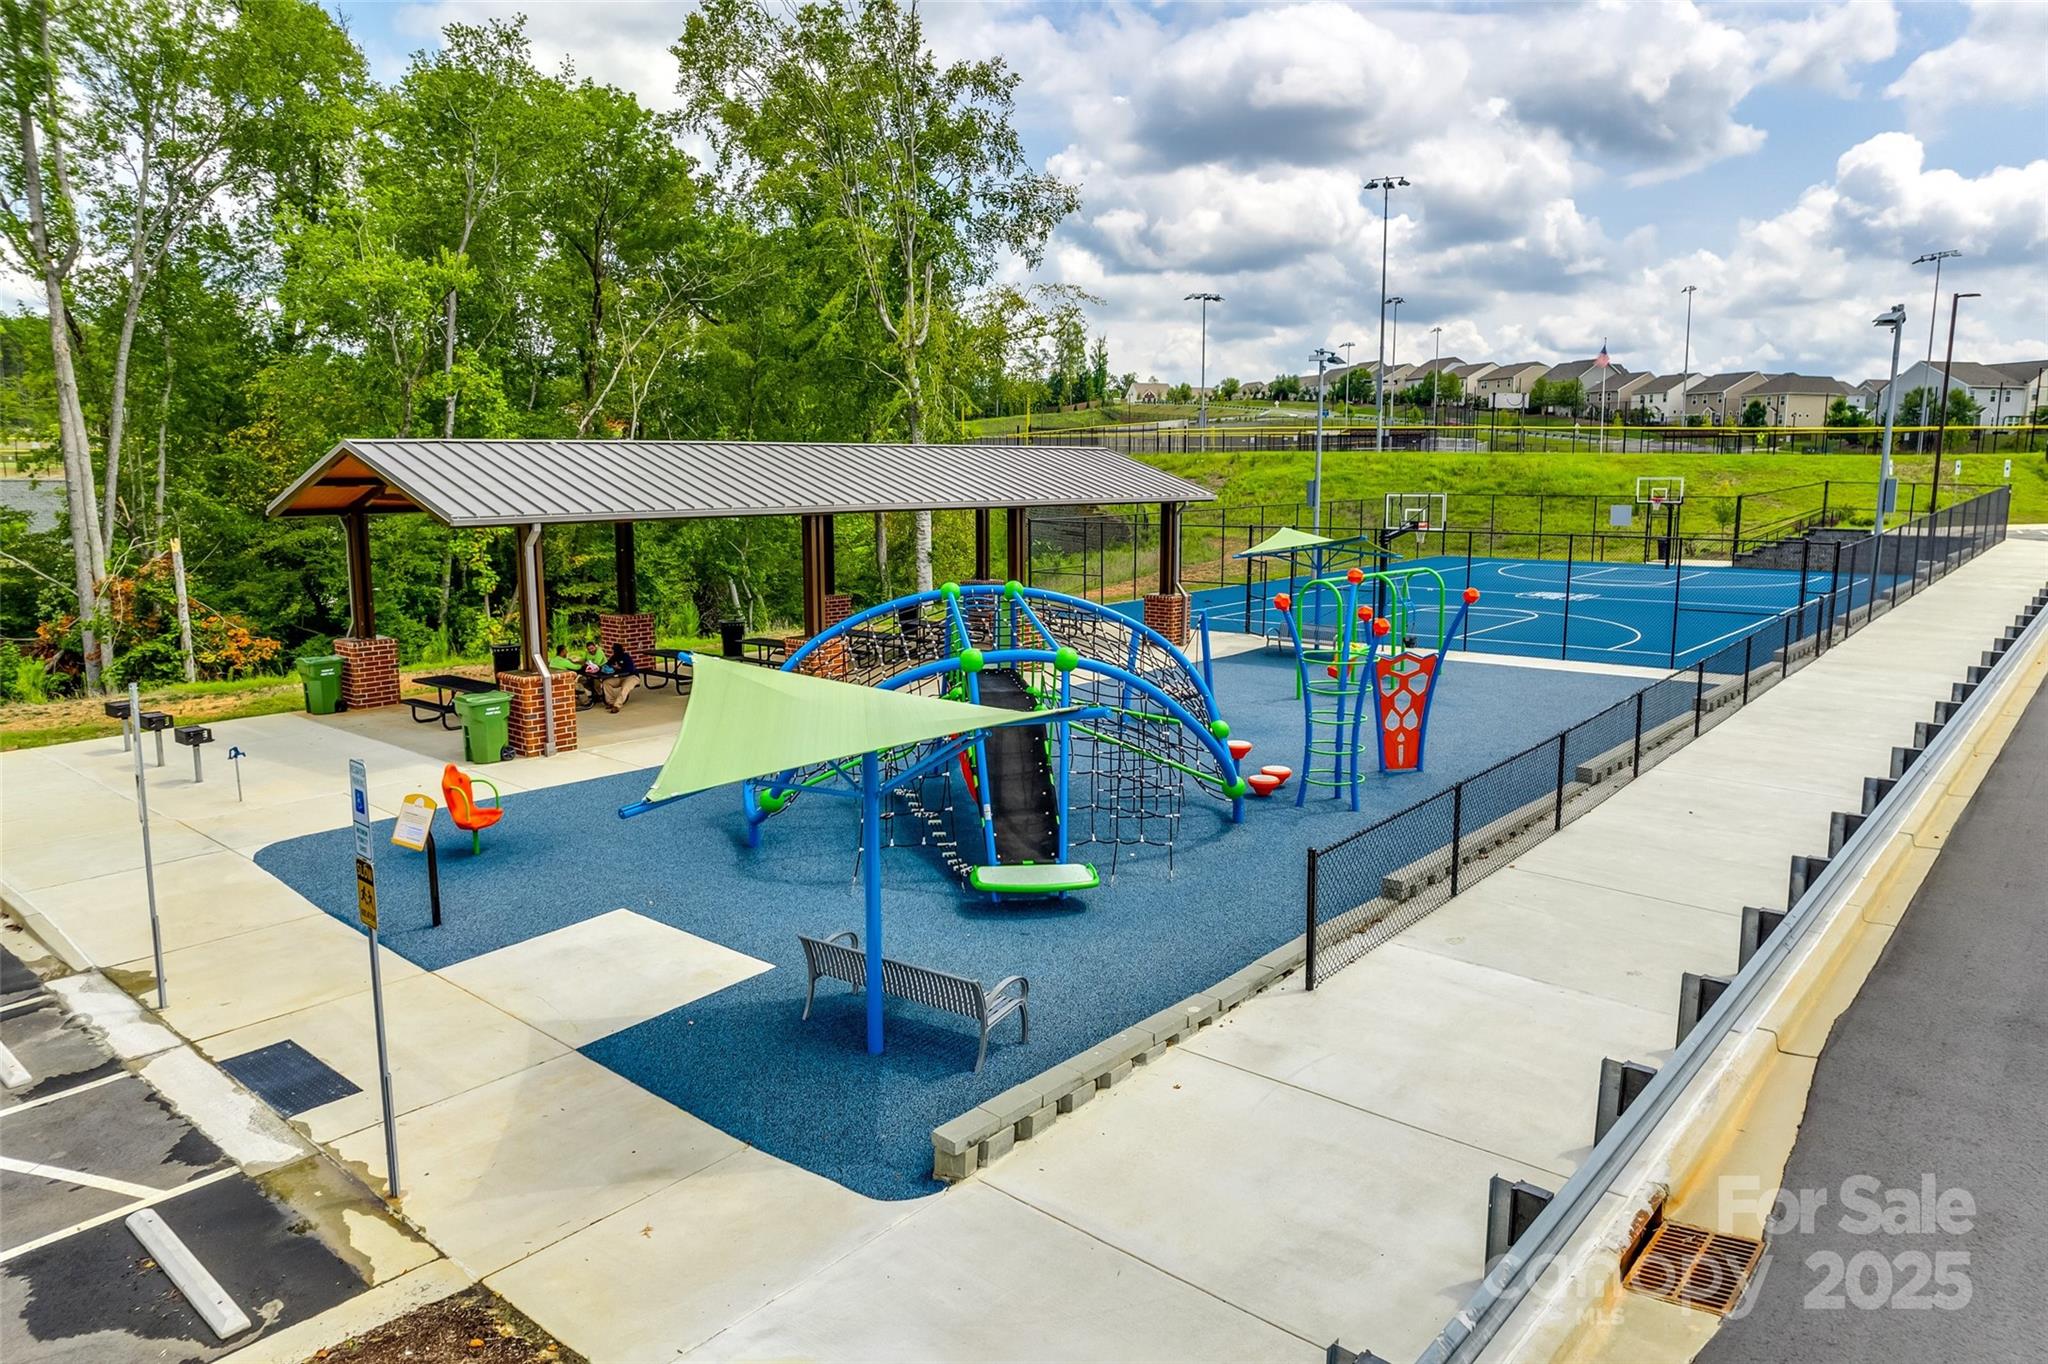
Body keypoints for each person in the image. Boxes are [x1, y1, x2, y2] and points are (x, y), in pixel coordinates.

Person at [600, 642, 641, 712]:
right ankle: (611, 702)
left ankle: (617, 706)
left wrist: (619, 668)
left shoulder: (626, 657)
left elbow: (630, 669)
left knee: (625, 688)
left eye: (615, 650)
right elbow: (607, 664)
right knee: (606, 683)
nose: (614, 651)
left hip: (632, 676)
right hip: (619, 677)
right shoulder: (614, 657)